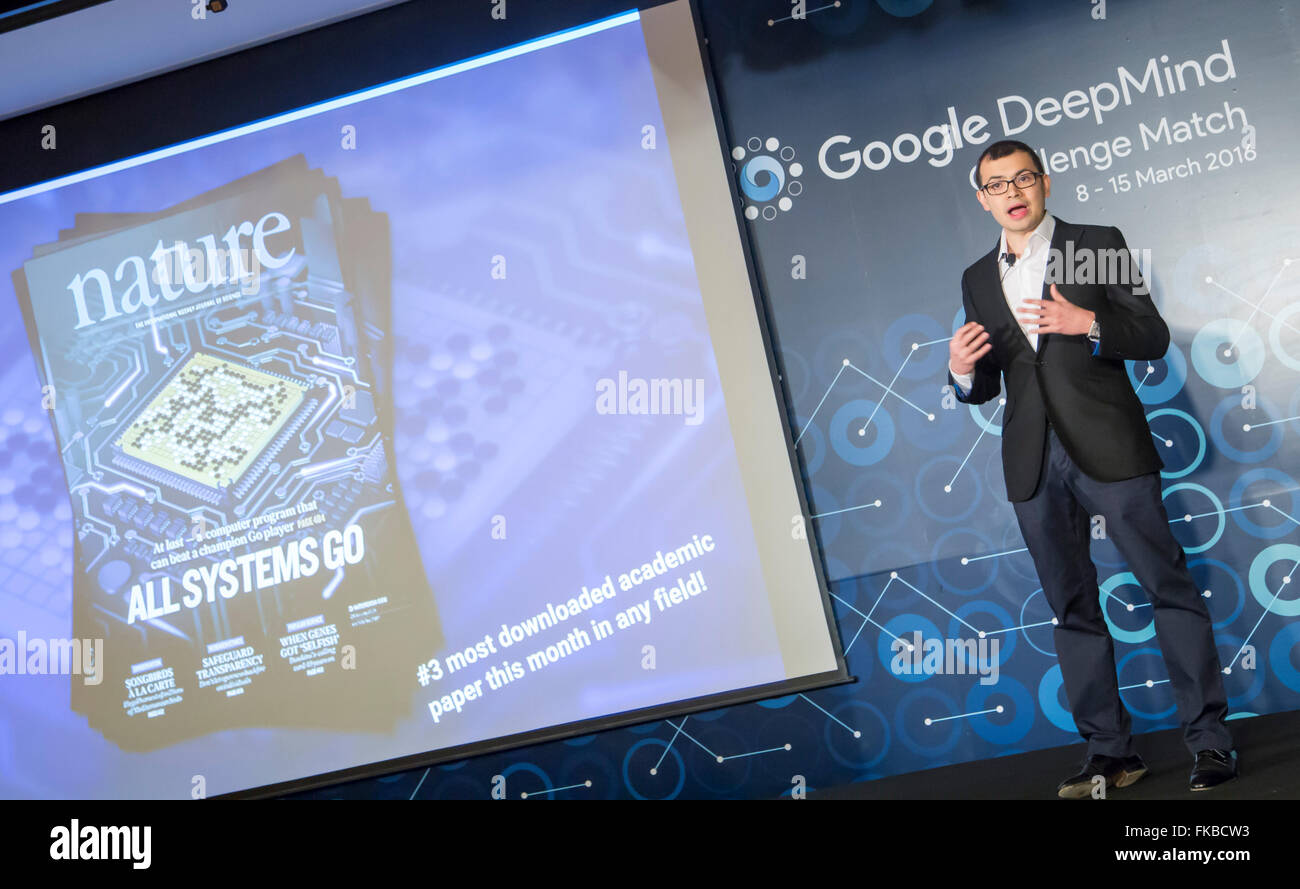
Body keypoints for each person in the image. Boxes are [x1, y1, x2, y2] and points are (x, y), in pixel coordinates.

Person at [947, 139, 1236, 797]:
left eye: (1023, 178)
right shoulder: (974, 277)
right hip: (1031, 461)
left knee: (1169, 587)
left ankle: (1211, 742)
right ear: (983, 197)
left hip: (1110, 447)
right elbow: (994, 378)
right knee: (1072, 607)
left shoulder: (1095, 241)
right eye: (997, 184)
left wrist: (1089, 322)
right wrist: (963, 372)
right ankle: (1110, 754)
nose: (1012, 192)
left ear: (1044, 183)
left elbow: (1151, 334)